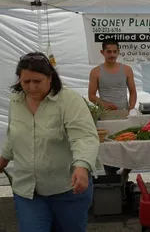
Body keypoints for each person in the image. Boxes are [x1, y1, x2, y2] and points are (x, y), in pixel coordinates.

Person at [0, 52, 100, 232]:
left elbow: (84, 137)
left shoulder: (69, 100)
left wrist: (82, 166)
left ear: (50, 78)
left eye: (37, 81)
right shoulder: (16, 100)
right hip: (27, 191)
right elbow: (14, 135)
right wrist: (3, 159)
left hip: (67, 190)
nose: (31, 87)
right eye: (26, 82)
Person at [88, 39, 137, 178]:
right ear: (102, 52)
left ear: (118, 52)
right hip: (106, 117)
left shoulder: (127, 69)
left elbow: (133, 91)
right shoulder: (96, 72)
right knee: (109, 148)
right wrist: (103, 104)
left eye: (115, 51)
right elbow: (91, 96)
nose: (112, 54)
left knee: (129, 146)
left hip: (124, 115)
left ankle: (125, 173)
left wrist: (131, 108)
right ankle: (111, 176)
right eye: (109, 51)